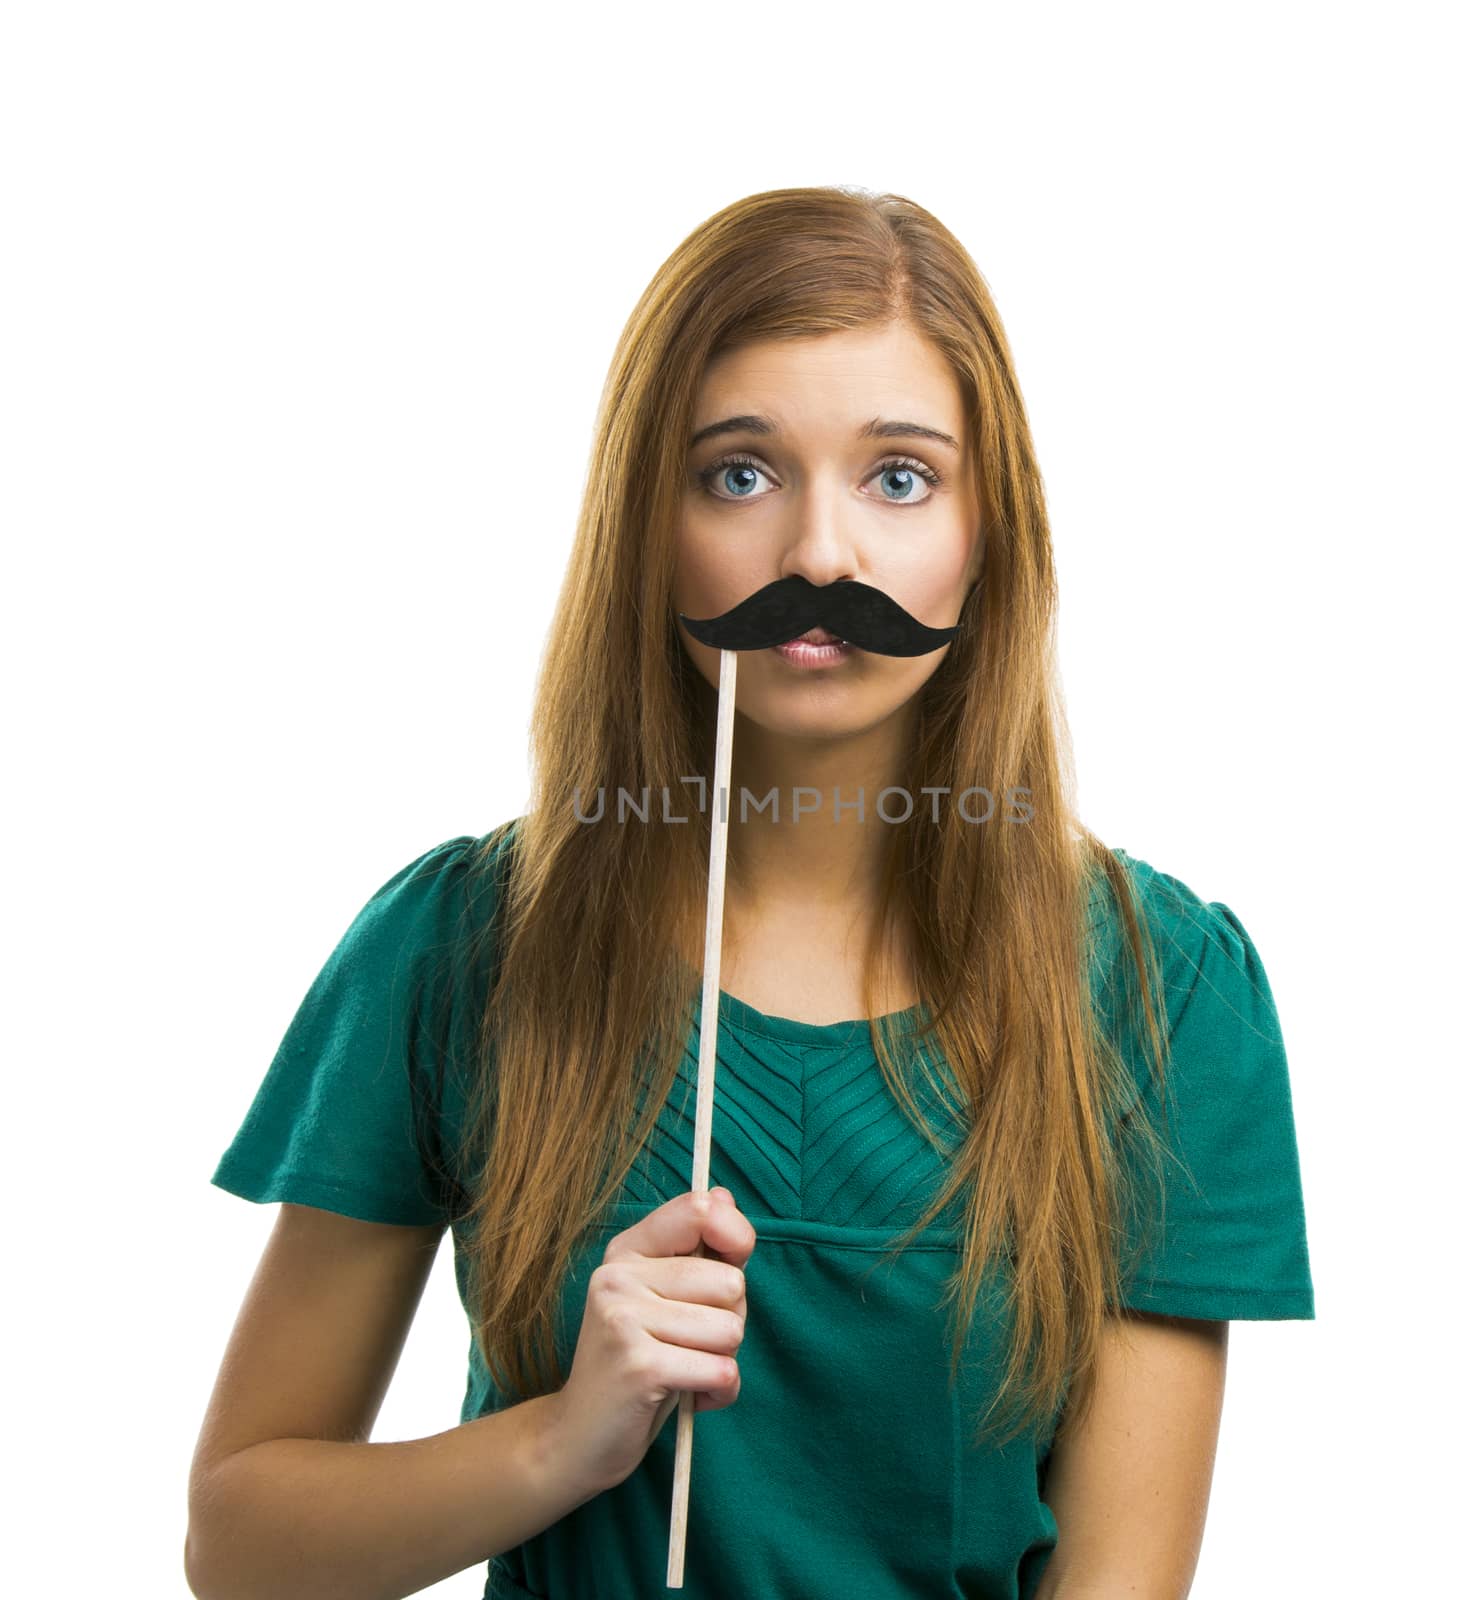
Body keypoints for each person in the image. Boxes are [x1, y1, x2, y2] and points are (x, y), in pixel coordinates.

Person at [185, 186, 1315, 1600]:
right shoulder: (464, 947)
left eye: (899, 477)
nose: (820, 559)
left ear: (991, 532)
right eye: (738, 474)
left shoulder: (1162, 990)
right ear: (647, 526)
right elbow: (241, 1551)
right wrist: (563, 1443)